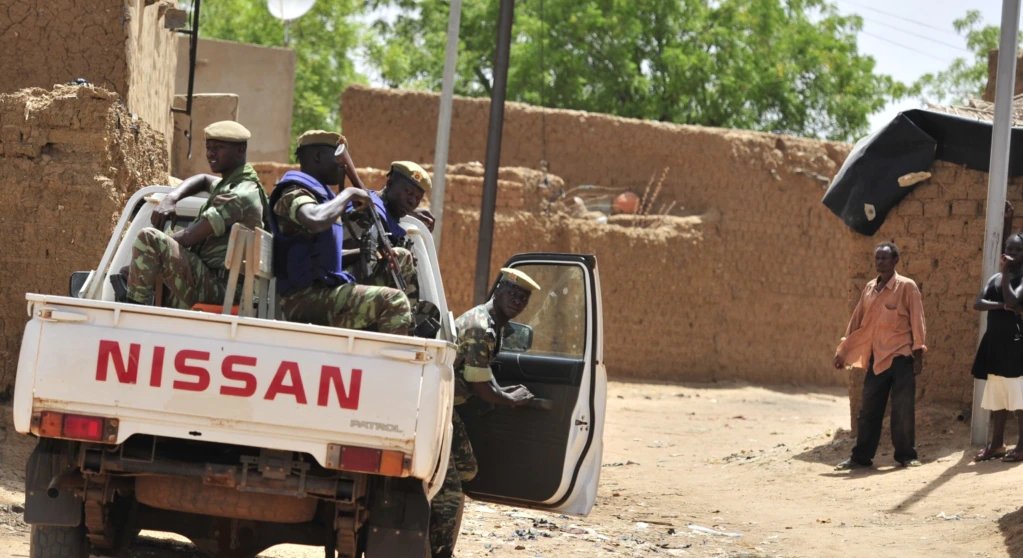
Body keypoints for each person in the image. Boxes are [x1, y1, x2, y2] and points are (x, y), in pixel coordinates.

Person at [429, 268, 540, 558]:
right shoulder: (482, 326)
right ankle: (436, 550)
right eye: (513, 294)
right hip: (436, 409)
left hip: (446, 408)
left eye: (523, 299)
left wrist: (503, 390)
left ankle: (424, 505)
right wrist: (508, 399)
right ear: (498, 291)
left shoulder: (491, 322)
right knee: (450, 491)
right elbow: (481, 387)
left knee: (467, 469)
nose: (517, 301)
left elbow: (480, 370)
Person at [267, 130, 412, 335]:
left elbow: (320, 257)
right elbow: (315, 220)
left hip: (324, 289)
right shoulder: (293, 193)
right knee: (393, 302)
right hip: (303, 299)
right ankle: (392, 365)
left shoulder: (322, 197)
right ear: (317, 156)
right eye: (338, 158)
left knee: (401, 259)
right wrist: (349, 194)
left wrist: (367, 253)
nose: (342, 165)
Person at [119, 121, 269, 308]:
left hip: (223, 289)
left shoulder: (237, 195)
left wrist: (143, 262)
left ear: (240, 150)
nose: (211, 153)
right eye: (209, 147)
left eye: (219, 147)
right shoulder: (239, 184)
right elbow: (204, 179)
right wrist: (171, 198)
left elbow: (189, 237)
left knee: (149, 238)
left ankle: (130, 312)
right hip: (224, 285)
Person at [834, 241, 926, 470]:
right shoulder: (868, 289)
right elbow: (856, 322)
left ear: (895, 261)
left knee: (902, 409)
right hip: (877, 360)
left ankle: (906, 456)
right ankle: (861, 458)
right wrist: (843, 351)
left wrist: (918, 355)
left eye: (884, 258)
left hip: (901, 357)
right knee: (868, 410)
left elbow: (917, 321)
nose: (880, 262)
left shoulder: (907, 287)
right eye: (877, 258)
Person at [342, 161, 434, 306]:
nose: (412, 201)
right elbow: (341, 255)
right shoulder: (364, 209)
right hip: (347, 284)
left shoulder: (389, 215)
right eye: (408, 193)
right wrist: (376, 253)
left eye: (417, 198)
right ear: (390, 184)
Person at [973, 233, 1023, 462]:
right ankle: (997, 444)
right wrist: (1002, 306)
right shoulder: (994, 277)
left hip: (1015, 344)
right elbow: (979, 303)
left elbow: (1015, 300)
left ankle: (1022, 446)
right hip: (994, 342)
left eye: (1016, 250)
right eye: (1008, 249)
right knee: (998, 395)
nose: (1010, 254)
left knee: (1018, 396)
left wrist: (1005, 273)